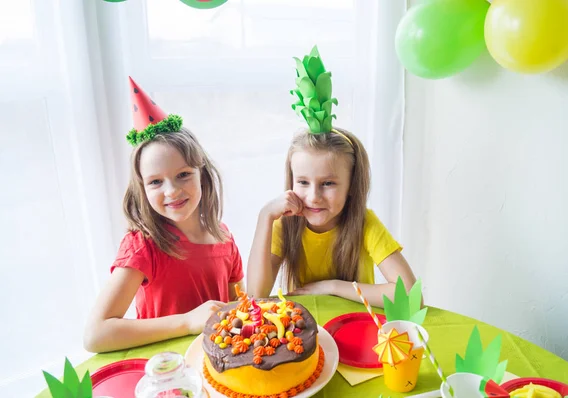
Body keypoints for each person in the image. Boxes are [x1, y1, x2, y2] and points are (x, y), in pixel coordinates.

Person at [247, 46, 417, 308]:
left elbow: (410, 296)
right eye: (303, 182)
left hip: (358, 327)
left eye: (328, 183)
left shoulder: (364, 223)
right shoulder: (285, 224)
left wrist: (334, 287)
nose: (313, 196)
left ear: (351, 185)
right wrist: (265, 217)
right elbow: (256, 296)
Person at [84, 78, 244, 353]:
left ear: (202, 175)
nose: (172, 191)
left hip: (217, 371)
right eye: (156, 182)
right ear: (142, 188)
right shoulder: (143, 246)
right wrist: (186, 322)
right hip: (167, 374)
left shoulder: (224, 238)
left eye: (183, 175)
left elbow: (238, 309)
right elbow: (95, 335)